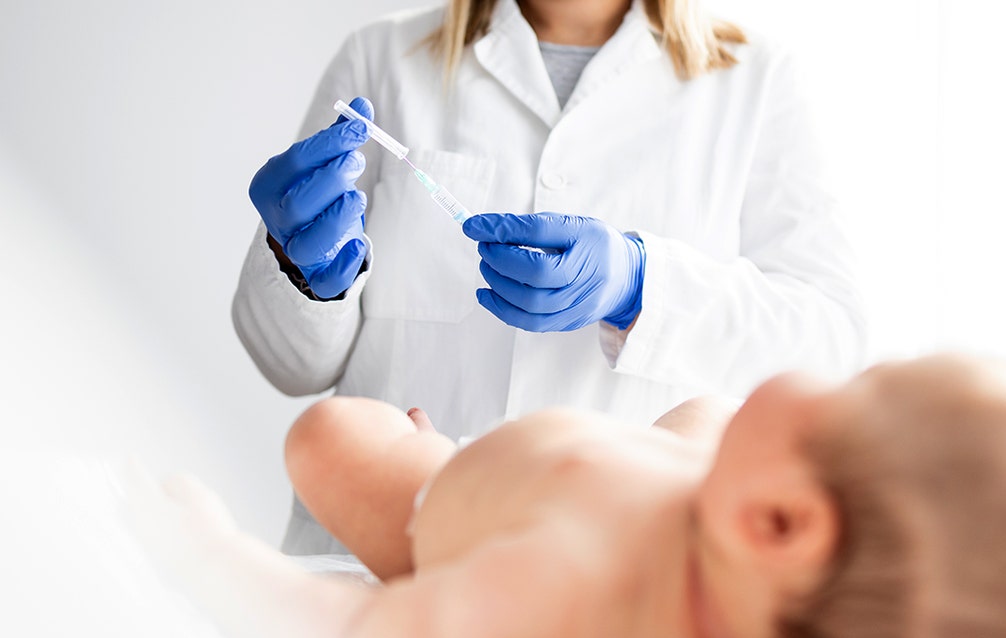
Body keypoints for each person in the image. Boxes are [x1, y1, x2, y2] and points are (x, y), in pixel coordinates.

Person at [232, 0, 866, 554]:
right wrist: (301, 271)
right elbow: (290, 367)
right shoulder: (383, 57)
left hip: (613, 584)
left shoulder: (758, 80)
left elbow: (828, 342)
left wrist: (642, 284)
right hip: (376, 569)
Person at [129, 354, 1006, 638]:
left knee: (329, 439)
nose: (837, 372)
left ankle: (432, 465)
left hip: (450, 503)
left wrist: (207, 552)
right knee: (705, 413)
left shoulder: (552, 591)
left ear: (780, 525)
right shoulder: (765, 585)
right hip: (670, 488)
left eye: (864, 387)